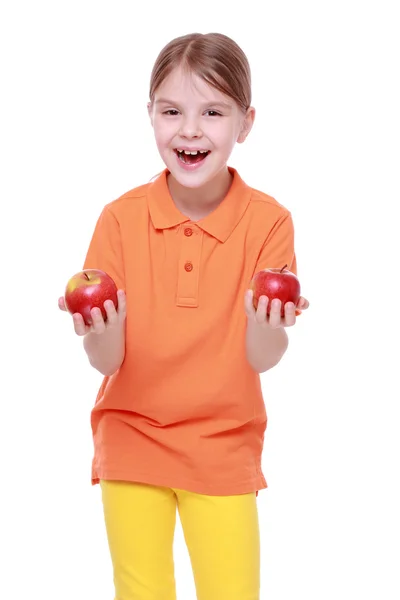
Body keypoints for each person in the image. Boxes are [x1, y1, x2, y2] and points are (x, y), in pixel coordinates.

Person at [59, 32, 309, 600]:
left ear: (245, 124)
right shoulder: (120, 219)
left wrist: (268, 320)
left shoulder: (269, 222)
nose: (190, 130)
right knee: (141, 592)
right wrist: (103, 329)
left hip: (223, 443)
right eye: (172, 111)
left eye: (212, 112)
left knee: (232, 592)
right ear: (150, 115)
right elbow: (107, 360)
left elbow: (261, 359)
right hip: (132, 436)